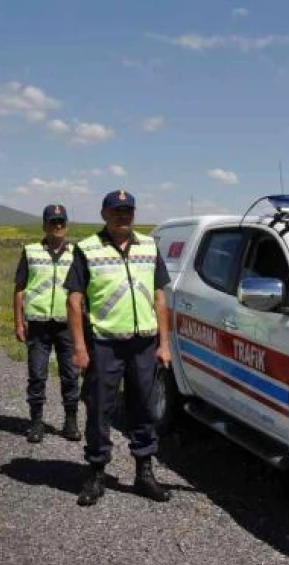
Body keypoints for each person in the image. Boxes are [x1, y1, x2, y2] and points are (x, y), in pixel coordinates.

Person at [65, 189, 172, 506]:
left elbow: (160, 298)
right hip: (104, 344)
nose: (122, 216)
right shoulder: (87, 249)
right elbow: (74, 301)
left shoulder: (150, 246)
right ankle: (96, 472)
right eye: (116, 211)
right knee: (100, 408)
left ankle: (144, 473)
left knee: (143, 406)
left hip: (143, 343)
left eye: (128, 211)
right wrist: (80, 349)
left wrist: (164, 344)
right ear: (104, 214)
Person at [13, 204, 81, 443]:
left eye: (61, 221)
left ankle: (70, 421)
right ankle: (36, 422)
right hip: (38, 325)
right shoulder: (31, 251)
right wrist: (18, 323)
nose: (58, 226)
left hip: (67, 325)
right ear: (44, 225)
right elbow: (20, 289)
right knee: (37, 374)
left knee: (71, 375)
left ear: (67, 224)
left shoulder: (77, 253)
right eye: (53, 222)